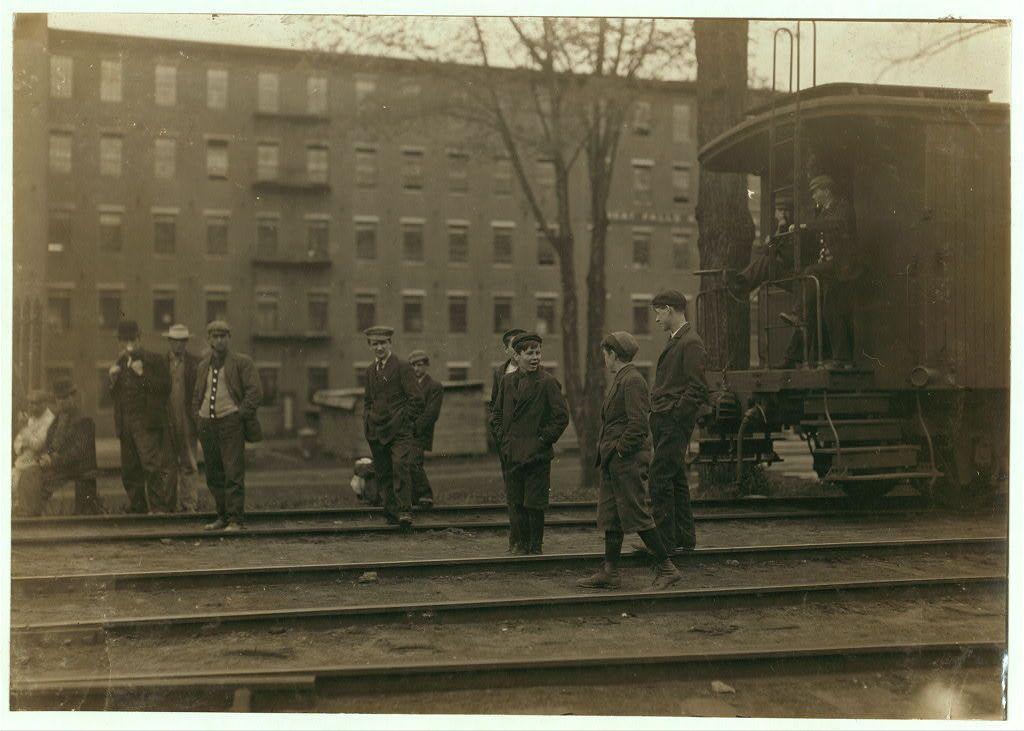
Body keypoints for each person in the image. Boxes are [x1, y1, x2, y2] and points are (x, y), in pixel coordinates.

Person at [578, 332, 683, 590]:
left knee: (636, 514)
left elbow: (638, 424)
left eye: (605, 353)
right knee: (612, 516)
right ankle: (610, 572)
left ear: (613, 354)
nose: (604, 358)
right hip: (614, 461)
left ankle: (667, 568)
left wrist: (621, 451)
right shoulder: (622, 379)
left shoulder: (632, 381)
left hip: (626, 462)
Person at [488, 332, 570, 555]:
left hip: (536, 455)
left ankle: (535, 548)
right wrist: (503, 440)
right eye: (529, 353)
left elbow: (561, 417)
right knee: (515, 501)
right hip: (512, 453)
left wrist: (542, 440)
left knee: (534, 503)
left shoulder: (548, 382)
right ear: (517, 355)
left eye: (538, 352)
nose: (535, 357)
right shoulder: (506, 382)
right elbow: (495, 414)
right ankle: (518, 545)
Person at [644, 290, 709, 555]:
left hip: (672, 421)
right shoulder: (678, 340)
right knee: (676, 479)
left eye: (658, 312)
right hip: (665, 419)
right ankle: (684, 538)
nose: (657, 318)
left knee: (659, 476)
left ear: (670, 310)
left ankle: (664, 543)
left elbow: (697, 389)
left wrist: (674, 416)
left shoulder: (690, 342)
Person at [191, 320, 263, 531]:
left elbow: (255, 392)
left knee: (233, 472)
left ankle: (235, 519)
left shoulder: (242, 362)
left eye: (223, 336)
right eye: (215, 336)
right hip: (207, 424)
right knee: (214, 474)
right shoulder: (203, 365)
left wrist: (239, 415)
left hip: (231, 423)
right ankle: (222, 516)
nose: (219, 340)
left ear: (229, 338)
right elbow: (196, 394)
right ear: (209, 339)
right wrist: (197, 416)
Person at [109, 319, 174, 513]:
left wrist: (142, 375)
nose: (127, 345)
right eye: (123, 340)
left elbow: (165, 388)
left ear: (139, 338)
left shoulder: (155, 360)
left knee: (151, 467)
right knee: (130, 470)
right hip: (126, 423)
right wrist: (112, 382)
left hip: (146, 423)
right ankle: (138, 508)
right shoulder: (120, 362)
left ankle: (159, 509)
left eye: (131, 339)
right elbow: (116, 396)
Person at [362, 326, 425, 528]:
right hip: (377, 430)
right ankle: (390, 513)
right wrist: (368, 420)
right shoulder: (370, 370)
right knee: (383, 472)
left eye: (383, 343)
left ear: (390, 343)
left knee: (400, 467)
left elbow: (417, 399)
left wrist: (404, 421)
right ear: (370, 346)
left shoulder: (402, 366)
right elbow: (367, 401)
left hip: (399, 431)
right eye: (375, 344)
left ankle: (405, 511)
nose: (379, 347)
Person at [797, 173, 861, 366]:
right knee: (829, 311)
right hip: (832, 269)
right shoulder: (823, 212)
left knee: (811, 274)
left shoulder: (842, 208)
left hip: (844, 268)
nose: (814, 196)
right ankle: (837, 358)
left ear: (826, 191)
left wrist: (806, 225)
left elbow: (835, 225)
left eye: (816, 192)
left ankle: (798, 312)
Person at [15, 379, 100, 516]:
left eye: (65, 398)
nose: (61, 402)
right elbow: (51, 444)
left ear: (73, 397)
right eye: (58, 399)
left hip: (77, 468)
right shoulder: (58, 418)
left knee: (36, 477)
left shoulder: (84, 420)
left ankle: (30, 514)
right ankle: (28, 512)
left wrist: (53, 460)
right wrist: (47, 455)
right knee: (29, 473)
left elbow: (78, 452)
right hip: (61, 465)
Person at [489, 327, 526, 551]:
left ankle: (531, 542)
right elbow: (495, 407)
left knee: (529, 495)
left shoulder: (536, 372)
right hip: (508, 444)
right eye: (514, 345)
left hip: (530, 443)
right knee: (512, 493)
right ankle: (516, 540)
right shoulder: (500, 374)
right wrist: (501, 436)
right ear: (507, 349)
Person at [163, 324, 200, 512]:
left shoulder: (195, 363)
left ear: (186, 343)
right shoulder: (161, 363)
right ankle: (168, 507)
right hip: (167, 421)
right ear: (169, 342)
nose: (178, 345)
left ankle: (189, 505)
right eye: (175, 341)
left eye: (182, 341)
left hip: (187, 422)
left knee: (189, 464)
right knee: (168, 465)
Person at [407, 350, 444, 509]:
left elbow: (432, 413)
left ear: (426, 366)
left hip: (420, 432)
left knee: (413, 462)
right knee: (407, 463)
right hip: (405, 431)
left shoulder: (434, 386)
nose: (416, 369)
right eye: (413, 365)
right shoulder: (408, 385)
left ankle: (425, 494)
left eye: (420, 365)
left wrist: (414, 427)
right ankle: (415, 498)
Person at [12, 390, 56, 513]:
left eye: (35, 403)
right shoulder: (31, 419)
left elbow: (38, 445)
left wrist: (24, 430)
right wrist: (27, 441)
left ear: (44, 403)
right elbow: (17, 445)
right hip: (23, 461)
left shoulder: (49, 420)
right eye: (30, 403)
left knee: (17, 485)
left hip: (37, 463)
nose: (31, 406)